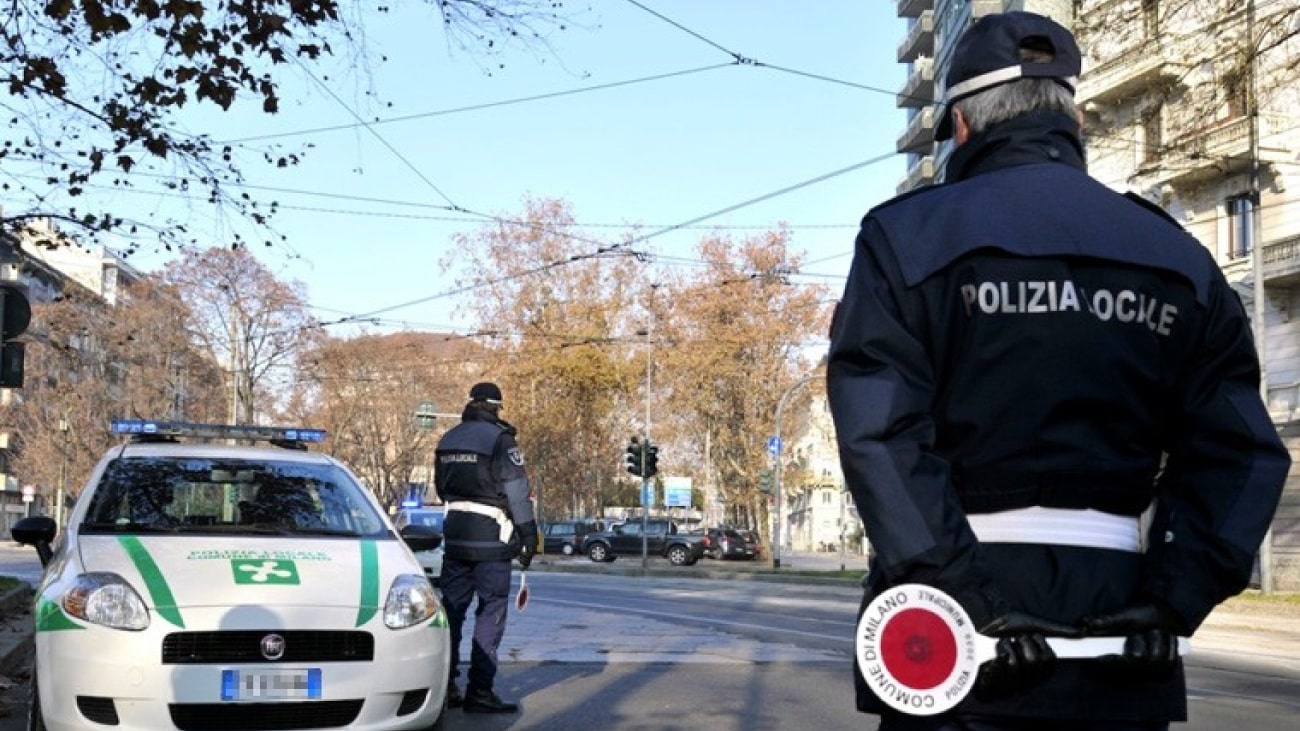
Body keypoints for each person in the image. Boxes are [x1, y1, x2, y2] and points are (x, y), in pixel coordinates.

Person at [826, 11, 1289, 731]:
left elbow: (881, 436)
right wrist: (1174, 594)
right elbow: (1243, 451)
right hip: (1123, 630)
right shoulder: (1179, 258)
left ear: (962, 126)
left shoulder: (907, 238)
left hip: (955, 634)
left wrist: (964, 590)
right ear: (1072, 121)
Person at [435, 381, 538, 714]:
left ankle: (445, 687)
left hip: (454, 539)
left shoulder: (447, 439)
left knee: (450, 612)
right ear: (496, 407)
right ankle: (479, 692)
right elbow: (517, 492)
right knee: (490, 611)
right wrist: (528, 535)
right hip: (492, 541)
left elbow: (440, 488)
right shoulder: (501, 440)